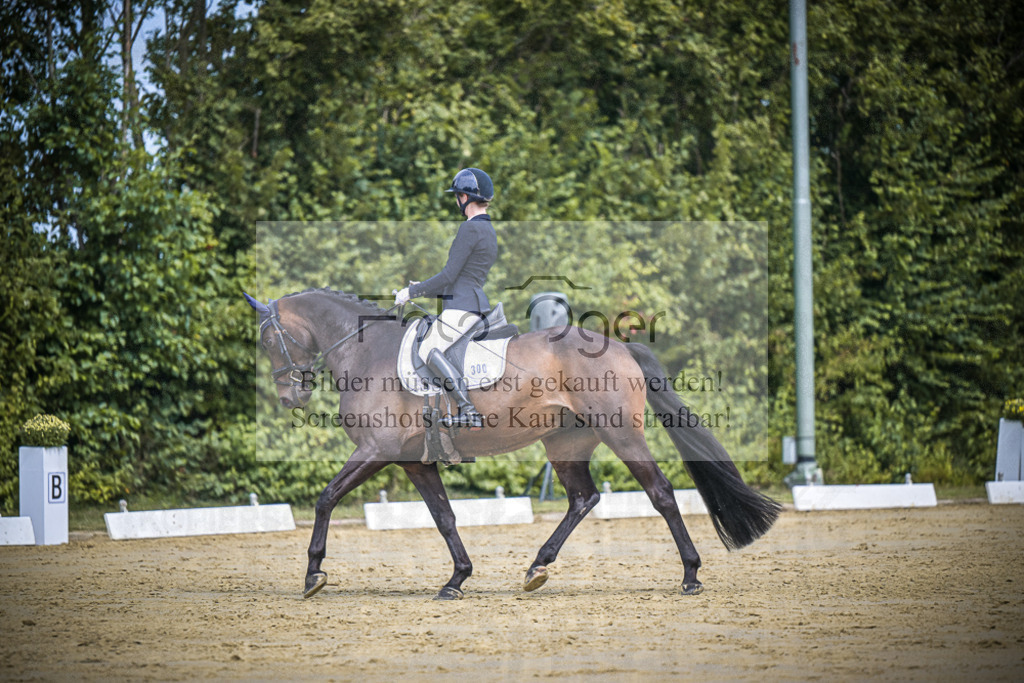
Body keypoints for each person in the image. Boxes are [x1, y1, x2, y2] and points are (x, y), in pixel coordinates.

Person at [395, 168, 497, 428]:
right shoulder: (489, 230)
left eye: (457, 196)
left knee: (428, 348)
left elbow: (449, 275)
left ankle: (467, 409)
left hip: (462, 307)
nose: (456, 201)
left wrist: (411, 293)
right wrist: (426, 288)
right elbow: (462, 278)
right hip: (473, 303)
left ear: (464, 197)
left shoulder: (470, 229)